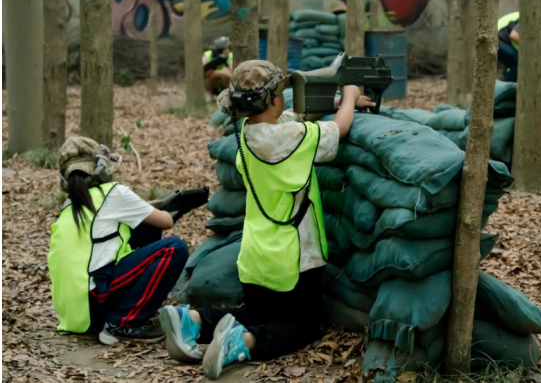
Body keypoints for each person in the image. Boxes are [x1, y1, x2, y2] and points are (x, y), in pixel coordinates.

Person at [159, 60, 376, 379]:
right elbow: (338, 129)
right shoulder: (286, 137)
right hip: (292, 258)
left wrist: (336, 102)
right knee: (303, 327)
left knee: (258, 314)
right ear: (274, 99)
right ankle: (243, 343)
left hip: (256, 257)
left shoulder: (250, 134)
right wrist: (350, 96)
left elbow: (296, 118)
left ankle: (192, 320)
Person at [48, 137, 188, 345]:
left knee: (142, 227)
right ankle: (122, 323)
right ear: (101, 167)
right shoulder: (114, 193)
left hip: (78, 313)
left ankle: (126, 312)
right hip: (96, 300)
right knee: (174, 248)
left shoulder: (68, 207)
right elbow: (166, 221)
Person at [497, 9, 541, 82]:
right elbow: (514, 35)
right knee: (522, 62)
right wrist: (532, 47)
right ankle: (504, 85)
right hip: (500, 42)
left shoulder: (535, 26)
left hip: (504, 43)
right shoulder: (529, 20)